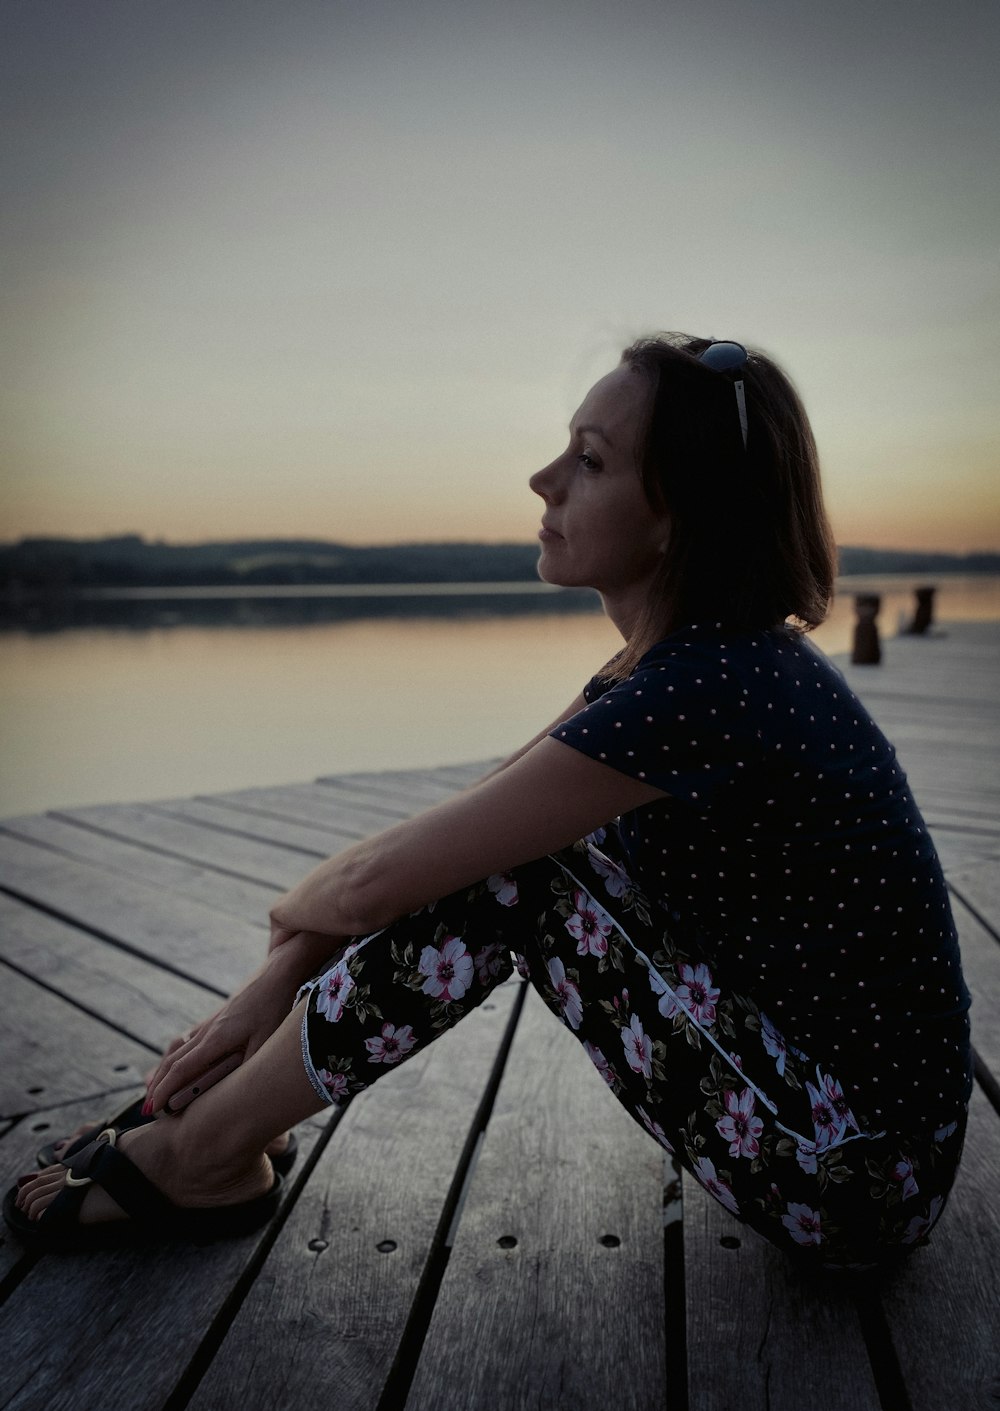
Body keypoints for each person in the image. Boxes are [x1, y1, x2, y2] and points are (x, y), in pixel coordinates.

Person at [7, 333, 972, 1268]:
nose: (544, 480)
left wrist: (282, 943)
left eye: (588, 462)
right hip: (837, 1126)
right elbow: (476, 817)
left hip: (855, 1174)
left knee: (521, 883)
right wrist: (268, 989)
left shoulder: (707, 686)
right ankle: (214, 1141)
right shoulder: (681, 665)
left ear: (679, 513)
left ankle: (199, 1153)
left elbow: (394, 878)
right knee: (502, 862)